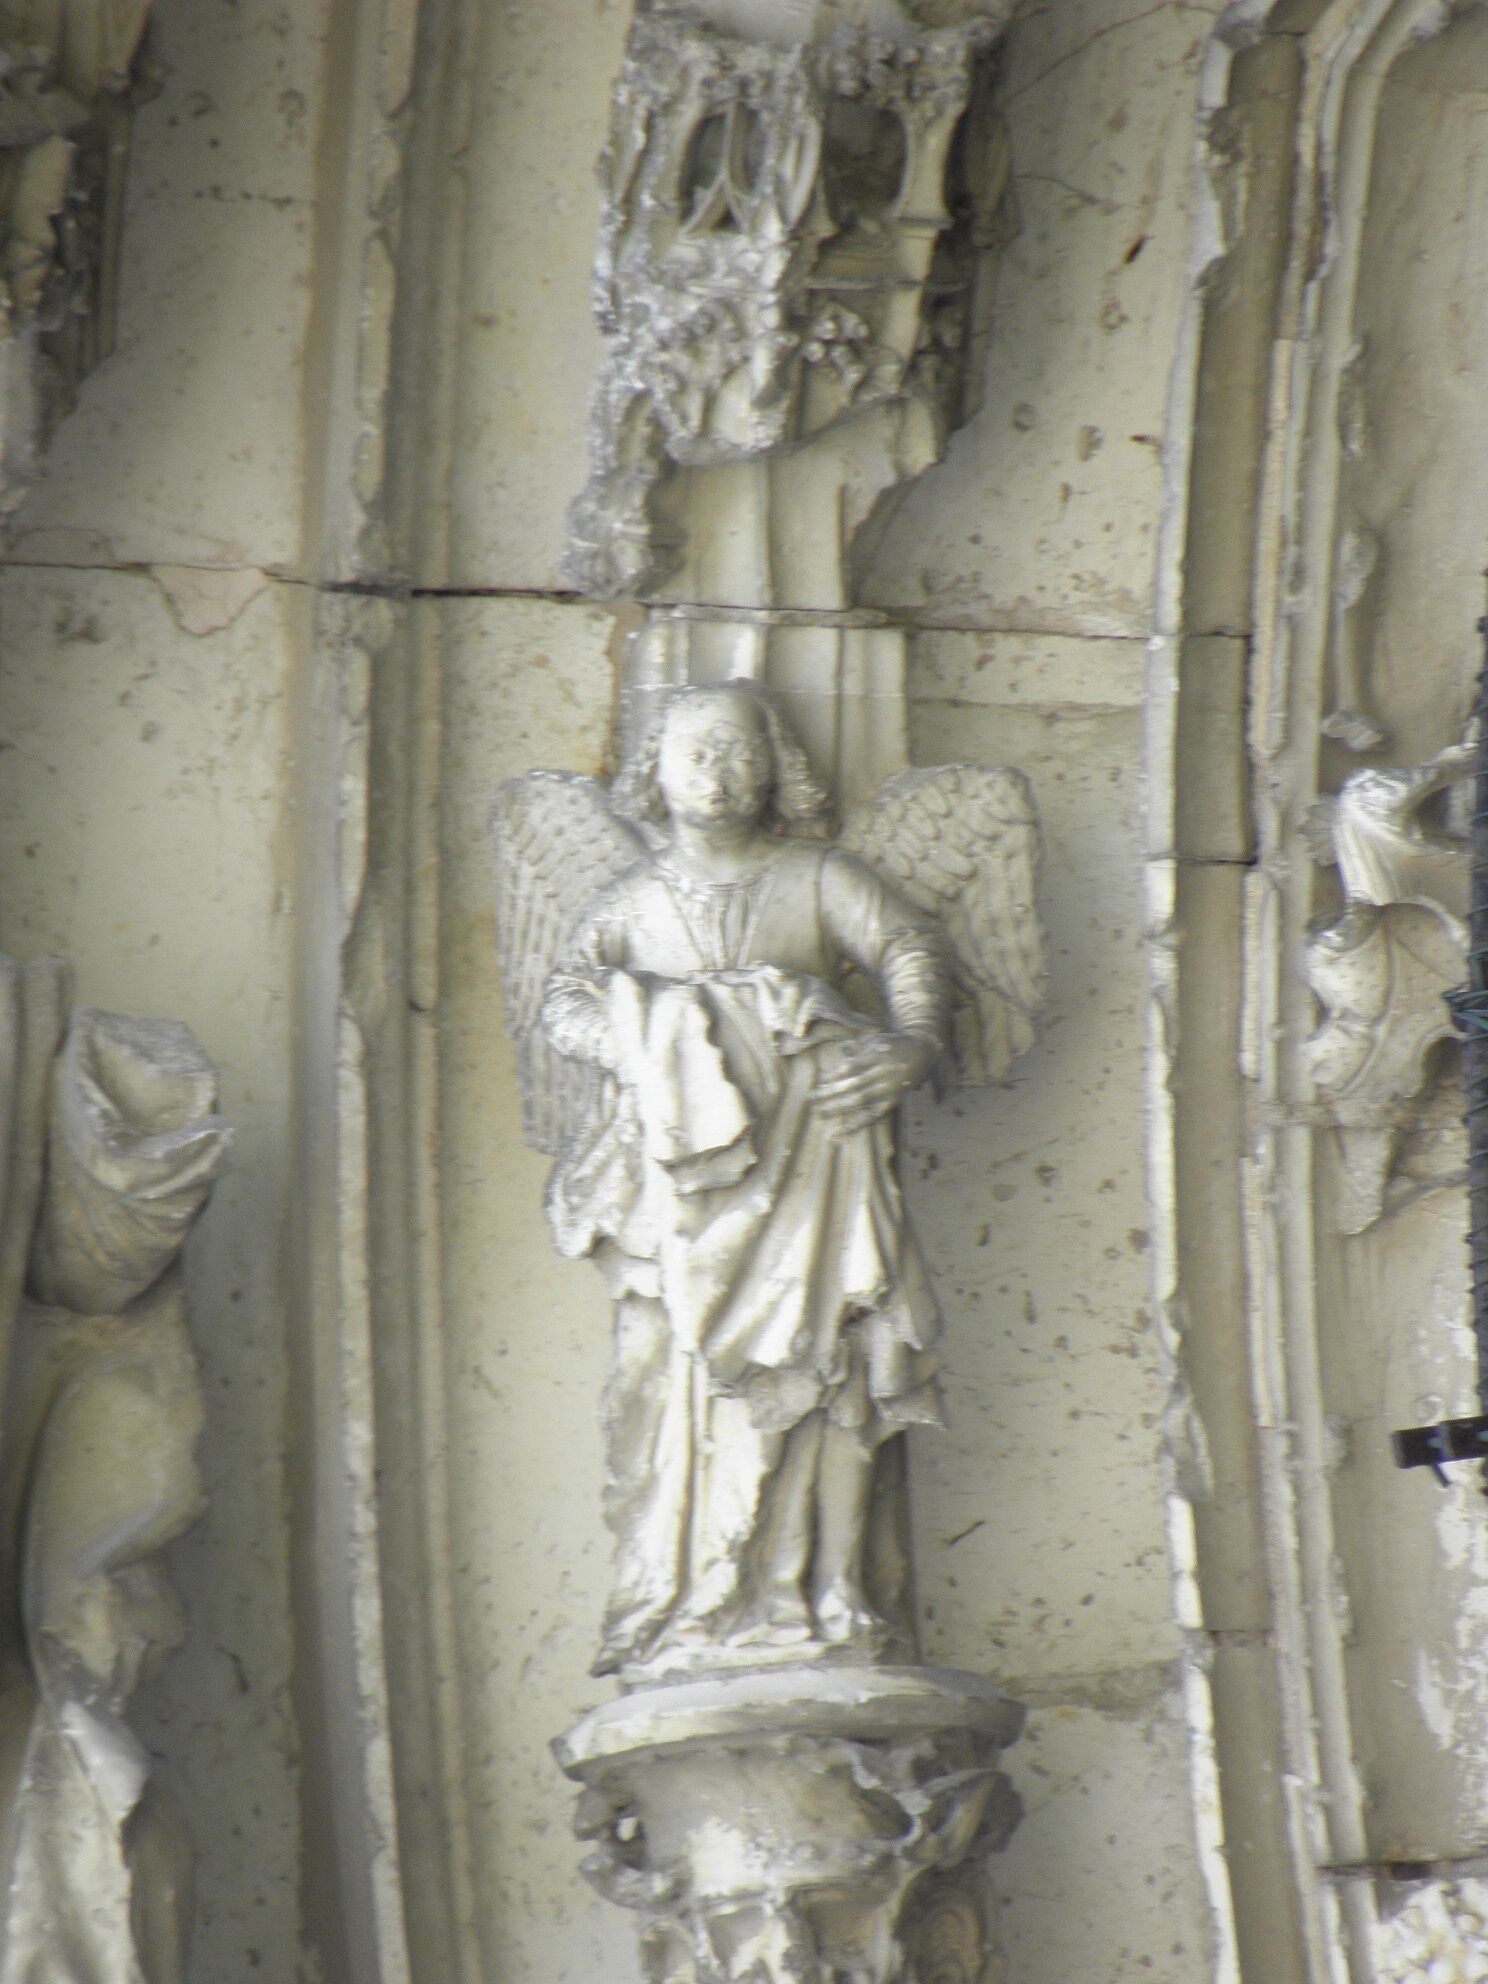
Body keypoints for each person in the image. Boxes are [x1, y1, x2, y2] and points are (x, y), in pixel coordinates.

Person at [540, 682, 951, 1676]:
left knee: (836, 1364)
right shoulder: (634, 902)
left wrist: (909, 1048)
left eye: (735, 752)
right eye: (693, 754)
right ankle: (694, 1594)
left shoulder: (812, 876)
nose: (715, 775)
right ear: (656, 771)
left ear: (775, 768)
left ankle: (824, 1591)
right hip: (687, 1191)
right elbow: (564, 997)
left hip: (817, 1162)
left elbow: (907, 946)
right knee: (675, 1382)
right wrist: (646, 1049)